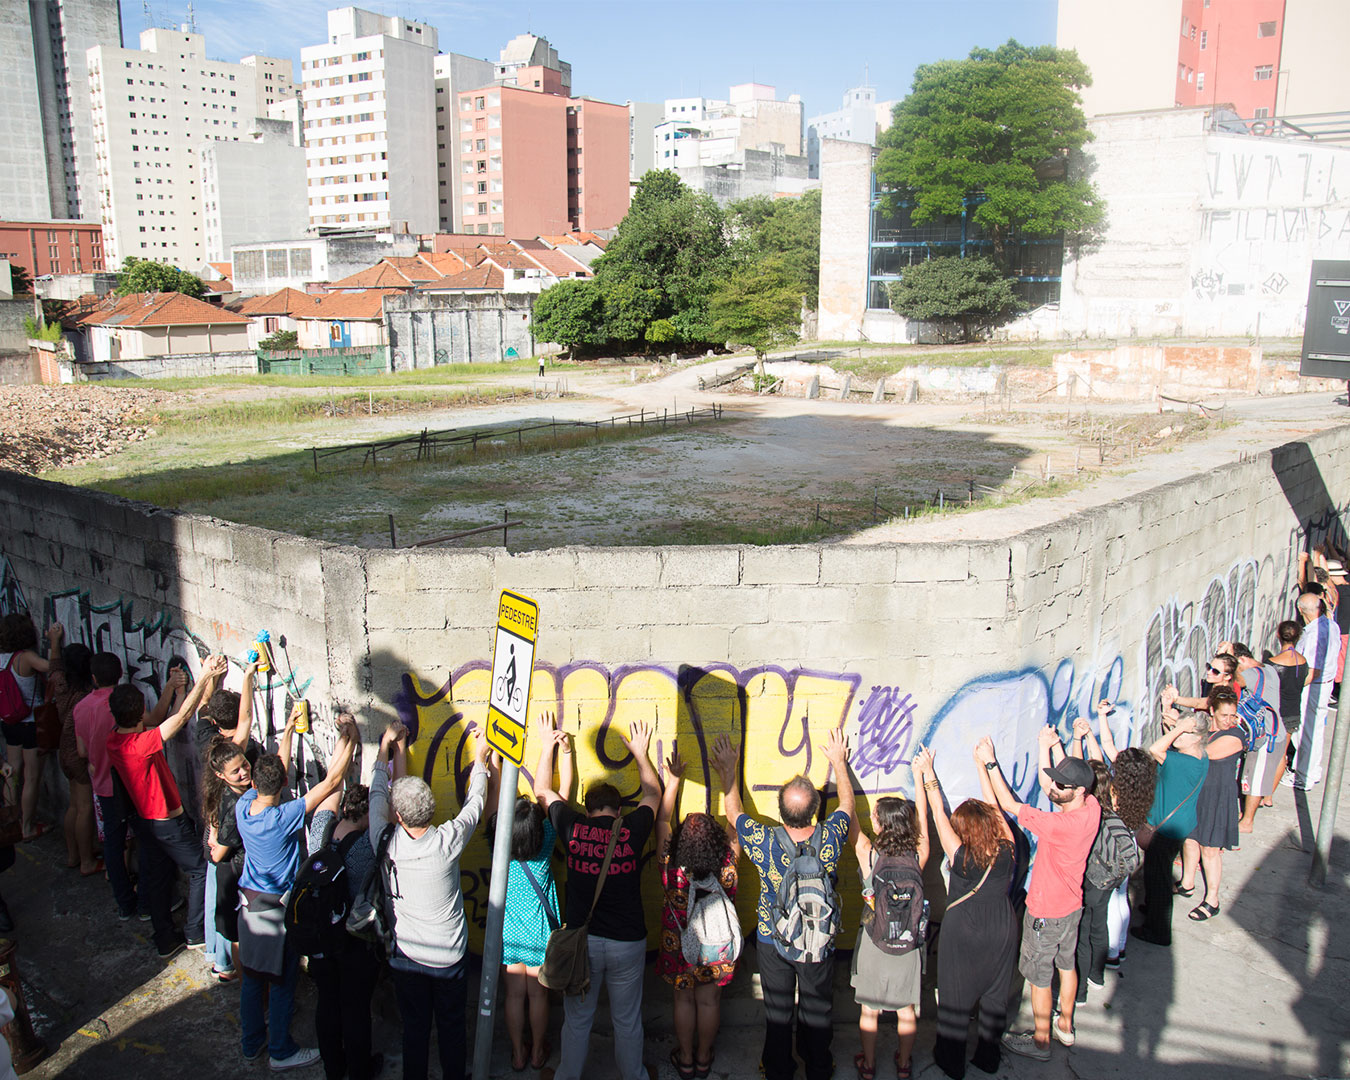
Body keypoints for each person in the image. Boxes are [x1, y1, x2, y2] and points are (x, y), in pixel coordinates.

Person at [722, 729, 854, 1080]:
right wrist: (839, 763)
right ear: (814, 811)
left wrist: (727, 770)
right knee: (818, 1008)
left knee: (778, 1010)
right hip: (818, 940)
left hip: (772, 938)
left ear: (780, 811)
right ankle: (819, 1066)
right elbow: (846, 806)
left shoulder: (764, 841)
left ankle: (779, 1069)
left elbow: (733, 812)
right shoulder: (831, 836)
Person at [534, 714, 660, 1080]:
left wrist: (547, 747)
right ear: (618, 810)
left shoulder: (573, 827)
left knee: (577, 1020)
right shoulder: (632, 828)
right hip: (627, 941)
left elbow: (544, 791)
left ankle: (565, 1077)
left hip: (583, 942)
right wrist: (640, 753)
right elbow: (653, 793)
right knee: (627, 1020)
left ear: (587, 809)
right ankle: (634, 1076)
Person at [236, 709, 357, 1072]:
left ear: (255, 783)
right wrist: (349, 736)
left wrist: (288, 729)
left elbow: (276, 769)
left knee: (253, 979)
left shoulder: (246, 807)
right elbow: (332, 781)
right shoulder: (283, 817)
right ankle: (280, 1051)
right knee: (284, 979)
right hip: (277, 910)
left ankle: (251, 1042)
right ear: (283, 782)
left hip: (248, 904)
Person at [371, 718, 488, 1080]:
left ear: (400, 817)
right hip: (449, 957)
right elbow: (476, 802)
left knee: (415, 1029)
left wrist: (385, 749)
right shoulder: (446, 841)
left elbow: (377, 795)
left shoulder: (384, 841)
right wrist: (481, 759)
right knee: (453, 1028)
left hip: (407, 955)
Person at [976, 728, 1100, 1063]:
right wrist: (1051, 747)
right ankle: (1066, 1025)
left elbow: (1008, 804)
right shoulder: (1091, 808)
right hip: (1071, 906)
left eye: (1062, 785)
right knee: (1066, 964)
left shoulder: (1058, 826)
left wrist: (990, 764)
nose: (1054, 788)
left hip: (1045, 911)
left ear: (1078, 791)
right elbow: (1062, 783)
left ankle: (1041, 1041)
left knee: (1039, 978)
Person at [105, 655, 227, 957]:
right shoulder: (141, 745)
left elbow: (163, 717)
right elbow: (180, 719)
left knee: (158, 876)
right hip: (166, 822)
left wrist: (176, 688)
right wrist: (205, 676)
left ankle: (164, 937)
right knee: (200, 869)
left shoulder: (115, 740)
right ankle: (195, 931)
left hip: (144, 822)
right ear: (139, 714)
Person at [911, 747, 1015, 1080]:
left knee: (955, 999)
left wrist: (928, 771)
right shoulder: (1007, 849)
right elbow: (996, 810)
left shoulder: (960, 857)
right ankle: (988, 1056)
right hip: (1002, 926)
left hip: (964, 931)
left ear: (964, 831)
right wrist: (983, 766)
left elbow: (938, 815)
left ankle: (951, 1060)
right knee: (996, 998)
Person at [655, 740, 740, 1080]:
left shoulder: (671, 866)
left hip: (680, 946)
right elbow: (736, 822)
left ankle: (686, 1058)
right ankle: (704, 1059)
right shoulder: (727, 865)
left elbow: (662, 818)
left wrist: (674, 779)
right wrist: (728, 774)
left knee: (683, 1001)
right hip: (716, 946)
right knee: (709, 1003)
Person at [488, 724, 563, 1074]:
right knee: (538, 995)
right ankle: (537, 1054)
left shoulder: (498, 846)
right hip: (538, 934)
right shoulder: (545, 842)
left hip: (507, 933)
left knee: (513, 996)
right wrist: (551, 748)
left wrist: (494, 764)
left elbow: (494, 805)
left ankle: (517, 1053)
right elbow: (549, 795)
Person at [846, 776, 928, 1080]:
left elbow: (848, 814)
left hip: (874, 941)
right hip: (908, 945)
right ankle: (904, 1064)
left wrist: (840, 767)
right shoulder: (918, 856)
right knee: (906, 1010)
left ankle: (868, 1065)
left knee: (870, 1011)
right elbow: (923, 824)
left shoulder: (869, 853)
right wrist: (921, 779)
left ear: (880, 824)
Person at [307, 779, 381, 1080]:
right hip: (352, 939)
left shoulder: (320, 832)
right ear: (366, 817)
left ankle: (333, 1069)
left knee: (327, 1003)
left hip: (320, 935)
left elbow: (330, 791)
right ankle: (360, 1070)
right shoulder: (366, 846)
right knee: (355, 1009)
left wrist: (346, 746)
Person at [1131, 694, 1210, 948]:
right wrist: (1173, 720)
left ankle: (1159, 930)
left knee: (1159, 879)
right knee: (1157, 875)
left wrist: (1177, 727)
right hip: (1178, 825)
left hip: (1166, 830)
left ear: (1196, 737)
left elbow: (1156, 749)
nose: (1177, 737)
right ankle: (1153, 908)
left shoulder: (1183, 763)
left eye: (1184, 734)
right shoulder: (1200, 756)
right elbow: (1171, 743)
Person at [74, 652, 140, 918]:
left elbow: (81, 751)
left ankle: (125, 903)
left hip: (103, 785)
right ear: (120, 674)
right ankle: (148, 898)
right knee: (147, 839)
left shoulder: (82, 707)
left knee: (113, 846)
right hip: (131, 784)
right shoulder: (123, 703)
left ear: (93, 678)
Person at [1176, 686, 1245, 921]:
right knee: (1190, 839)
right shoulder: (1207, 732)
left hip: (1219, 799)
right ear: (1212, 711)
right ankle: (1187, 883)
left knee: (1210, 849)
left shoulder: (1235, 736)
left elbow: (1202, 753)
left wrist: (1180, 734)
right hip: (1199, 794)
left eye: (1233, 715)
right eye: (1224, 715)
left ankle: (1212, 900)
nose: (1230, 720)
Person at [43, 626, 101, 875]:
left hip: (63, 751)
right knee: (85, 807)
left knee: (74, 806)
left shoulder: (60, 683)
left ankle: (73, 855)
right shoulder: (86, 694)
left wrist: (54, 641)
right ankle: (87, 861)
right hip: (78, 753)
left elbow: (54, 667)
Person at [201, 736, 252, 982]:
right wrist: (216, 844)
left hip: (233, 873)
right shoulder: (236, 805)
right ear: (221, 775)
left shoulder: (223, 791)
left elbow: (213, 820)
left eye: (244, 764)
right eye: (236, 771)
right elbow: (218, 853)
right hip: (232, 876)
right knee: (237, 936)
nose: (244, 772)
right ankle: (247, 986)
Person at [0, 613, 53, 840]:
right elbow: (53, 667)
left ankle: (10, 821)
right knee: (31, 776)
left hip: (9, 722)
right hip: (31, 723)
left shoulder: (1, 657)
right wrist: (56, 643)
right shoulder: (27, 658)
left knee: (11, 771)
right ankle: (28, 827)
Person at [1233, 640, 1291, 831]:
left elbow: (1239, 680)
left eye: (1234, 662)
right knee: (1259, 776)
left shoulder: (1250, 674)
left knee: (1256, 779)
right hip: (1276, 732)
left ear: (1241, 659)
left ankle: (1247, 821)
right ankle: (1249, 812)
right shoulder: (1269, 668)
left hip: (1266, 736)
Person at [1289, 591, 1337, 789]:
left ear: (1300, 611)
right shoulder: (1330, 625)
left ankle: (1305, 776)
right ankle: (1310, 772)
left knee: (1306, 732)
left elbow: (1313, 670)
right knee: (1314, 730)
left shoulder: (1313, 636)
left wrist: (1295, 689)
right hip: (1324, 685)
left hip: (1313, 688)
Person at [1262, 621, 1308, 802]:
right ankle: (1269, 796)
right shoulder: (1303, 662)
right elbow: (1307, 679)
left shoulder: (1271, 664)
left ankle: (1261, 792)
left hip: (1273, 714)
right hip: (1292, 714)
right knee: (1282, 754)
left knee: (1266, 753)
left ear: (1278, 636)